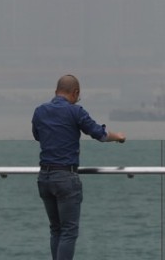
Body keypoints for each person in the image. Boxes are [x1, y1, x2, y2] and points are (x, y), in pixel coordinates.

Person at [31, 74, 126, 260]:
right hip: (66, 177)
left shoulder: (39, 111)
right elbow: (99, 134)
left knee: (56, 229)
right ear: (75, 93)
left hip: (44, 178)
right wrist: (119, 137)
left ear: (56, 91)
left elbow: (37, 135)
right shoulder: (76, 111)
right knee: (68, 231)